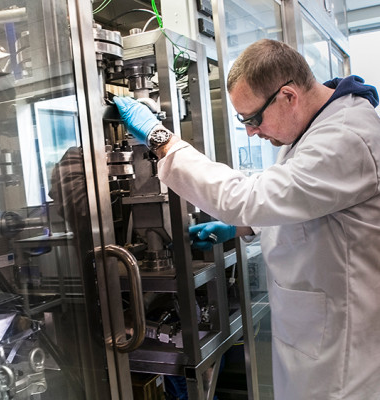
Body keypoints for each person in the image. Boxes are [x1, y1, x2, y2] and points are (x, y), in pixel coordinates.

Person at [113, 39, 380, 400]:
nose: (252, 131)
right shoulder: (313, 126)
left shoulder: (346, 137)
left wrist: (162, 141)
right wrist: (243, 227)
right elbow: (302, 202)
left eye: (253, 119)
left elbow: (249, 197)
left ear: (288, 96)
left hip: (343, 356)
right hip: (318, 328)